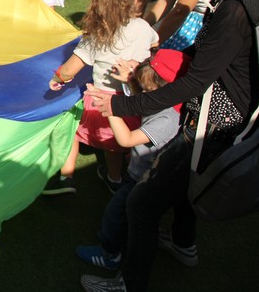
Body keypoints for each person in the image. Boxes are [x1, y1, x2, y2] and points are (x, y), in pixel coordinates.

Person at [83, 0, 259, 292]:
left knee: (141, 204)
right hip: (223, 124)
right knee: (182, 189)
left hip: (212, 129)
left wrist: (122, 102)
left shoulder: (235, 8)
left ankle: (128, 284)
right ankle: (183, 243)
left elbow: (192, 84)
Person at [45, 0, 158, 196]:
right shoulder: (143, 28)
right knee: (116, 144)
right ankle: (114, 177)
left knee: (72, 130)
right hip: (134, 102)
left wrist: (57, 79)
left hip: (101, 101)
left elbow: (70, 70)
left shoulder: (99, 35)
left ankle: (67, 176)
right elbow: (155, 44)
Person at [75, 50, 189, 272]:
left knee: (114, 214)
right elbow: (141, 98)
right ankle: (122, 236)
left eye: (147, 88)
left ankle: (110, 254)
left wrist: (111, 111)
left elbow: (126, 139)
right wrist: (128, 81)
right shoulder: (165, 102)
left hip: (145, 180)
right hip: (140, 172)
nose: (144, 92)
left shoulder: (167, 120)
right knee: (128, 215)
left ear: (165, 89)